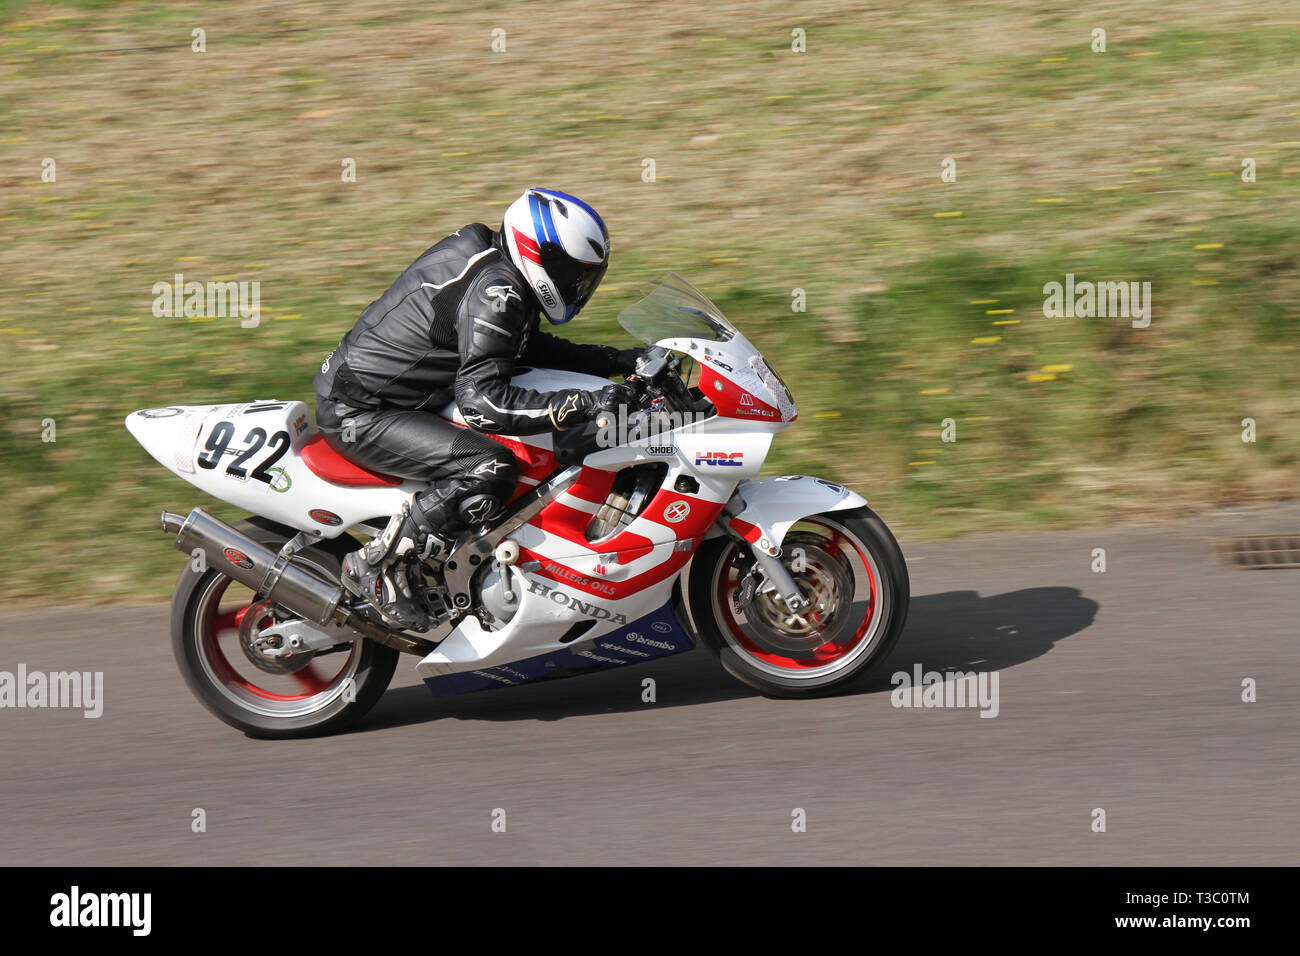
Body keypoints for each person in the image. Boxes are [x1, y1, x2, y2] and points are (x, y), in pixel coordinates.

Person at [313, 188, 640, 630]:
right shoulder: (497, 290)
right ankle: (379, 568)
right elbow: (484, 403)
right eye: (572, 273)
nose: (579, 286)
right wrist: (583, 403)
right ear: (540, 254)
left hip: (404, 394)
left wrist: (612, 360)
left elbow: (520, 345)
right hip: (362, 412)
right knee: (489, 467)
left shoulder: (501, 270)